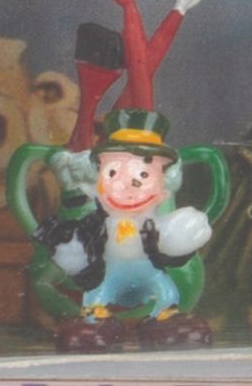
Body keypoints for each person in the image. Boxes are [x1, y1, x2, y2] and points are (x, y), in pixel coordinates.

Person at [36, 109, 214, 351]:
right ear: (95, 185)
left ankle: (164, 319)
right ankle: (96, 322)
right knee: (95, 302)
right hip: (108, 275)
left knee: (166, 293)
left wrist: (182, 237)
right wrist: (71, 250)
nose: (127, 185)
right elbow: (80, 248)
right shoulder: (97, 225)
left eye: (143, 175)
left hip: (151, 274)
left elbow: (171, 250)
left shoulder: (154, 227)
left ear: (163, 191)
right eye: (112, 173)